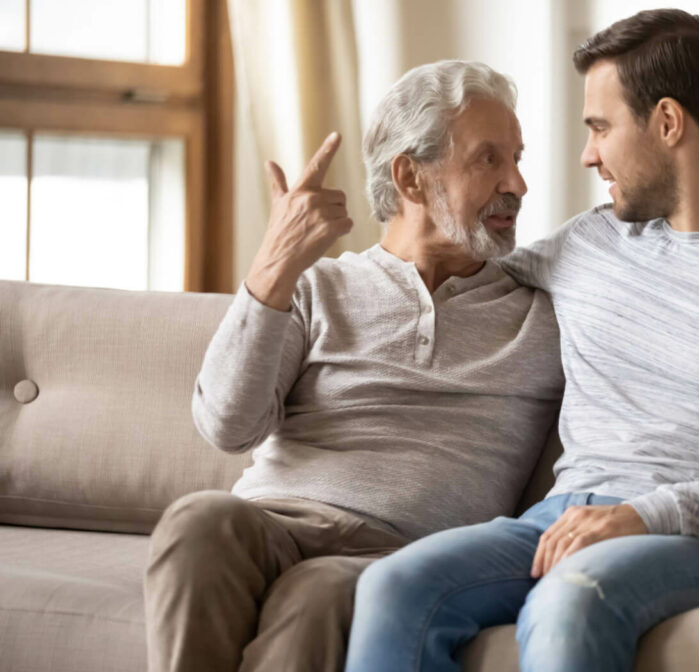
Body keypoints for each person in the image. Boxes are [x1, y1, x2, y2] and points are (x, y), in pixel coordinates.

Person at [345, 10, 699, 672]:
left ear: (668, 123)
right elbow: (459, 256)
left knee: (570, 598)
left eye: (600, 128)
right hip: (558, 519)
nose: (588, 153)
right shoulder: (589, 243)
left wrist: (643, 514)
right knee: (393, 586)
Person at [144, 61, 565, 672]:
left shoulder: (541, 313)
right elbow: (228, 426)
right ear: (411, 178)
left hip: (403, 551)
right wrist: (271, 269)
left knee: (318, 596)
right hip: (274, 518)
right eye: (489, 160)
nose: (518, 184)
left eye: (518, 158)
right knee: (199, 520)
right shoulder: (318, 286)